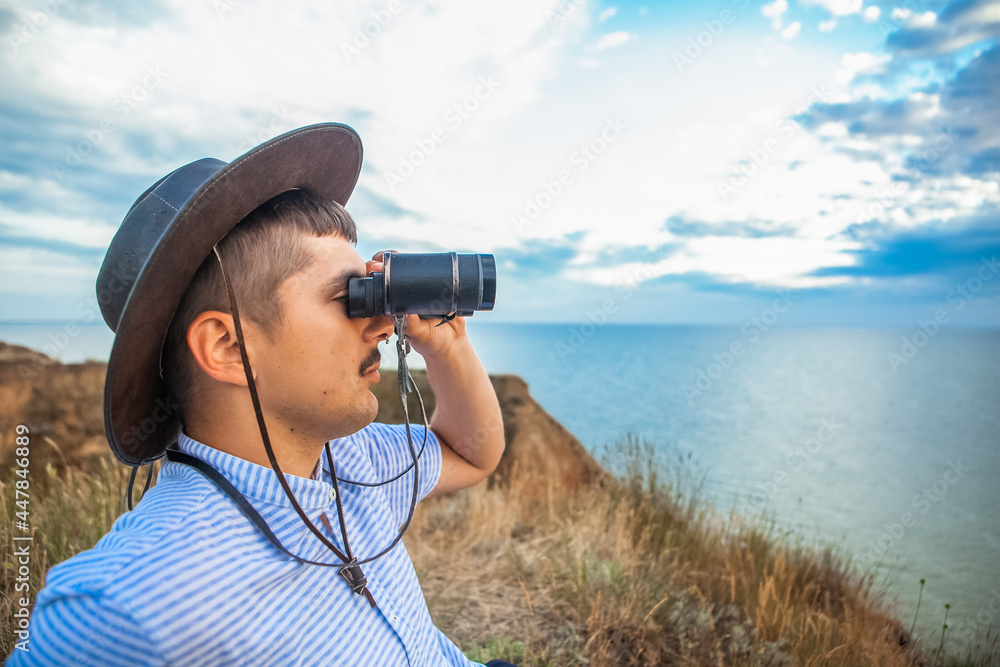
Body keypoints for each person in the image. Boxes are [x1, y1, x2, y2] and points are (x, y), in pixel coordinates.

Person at [8, 123, 514, 666]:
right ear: (226, 345)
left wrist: (447, 347)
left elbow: (471, 452)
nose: (382, 327)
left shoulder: (352, 460)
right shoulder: (128, 606)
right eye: (351, 299)